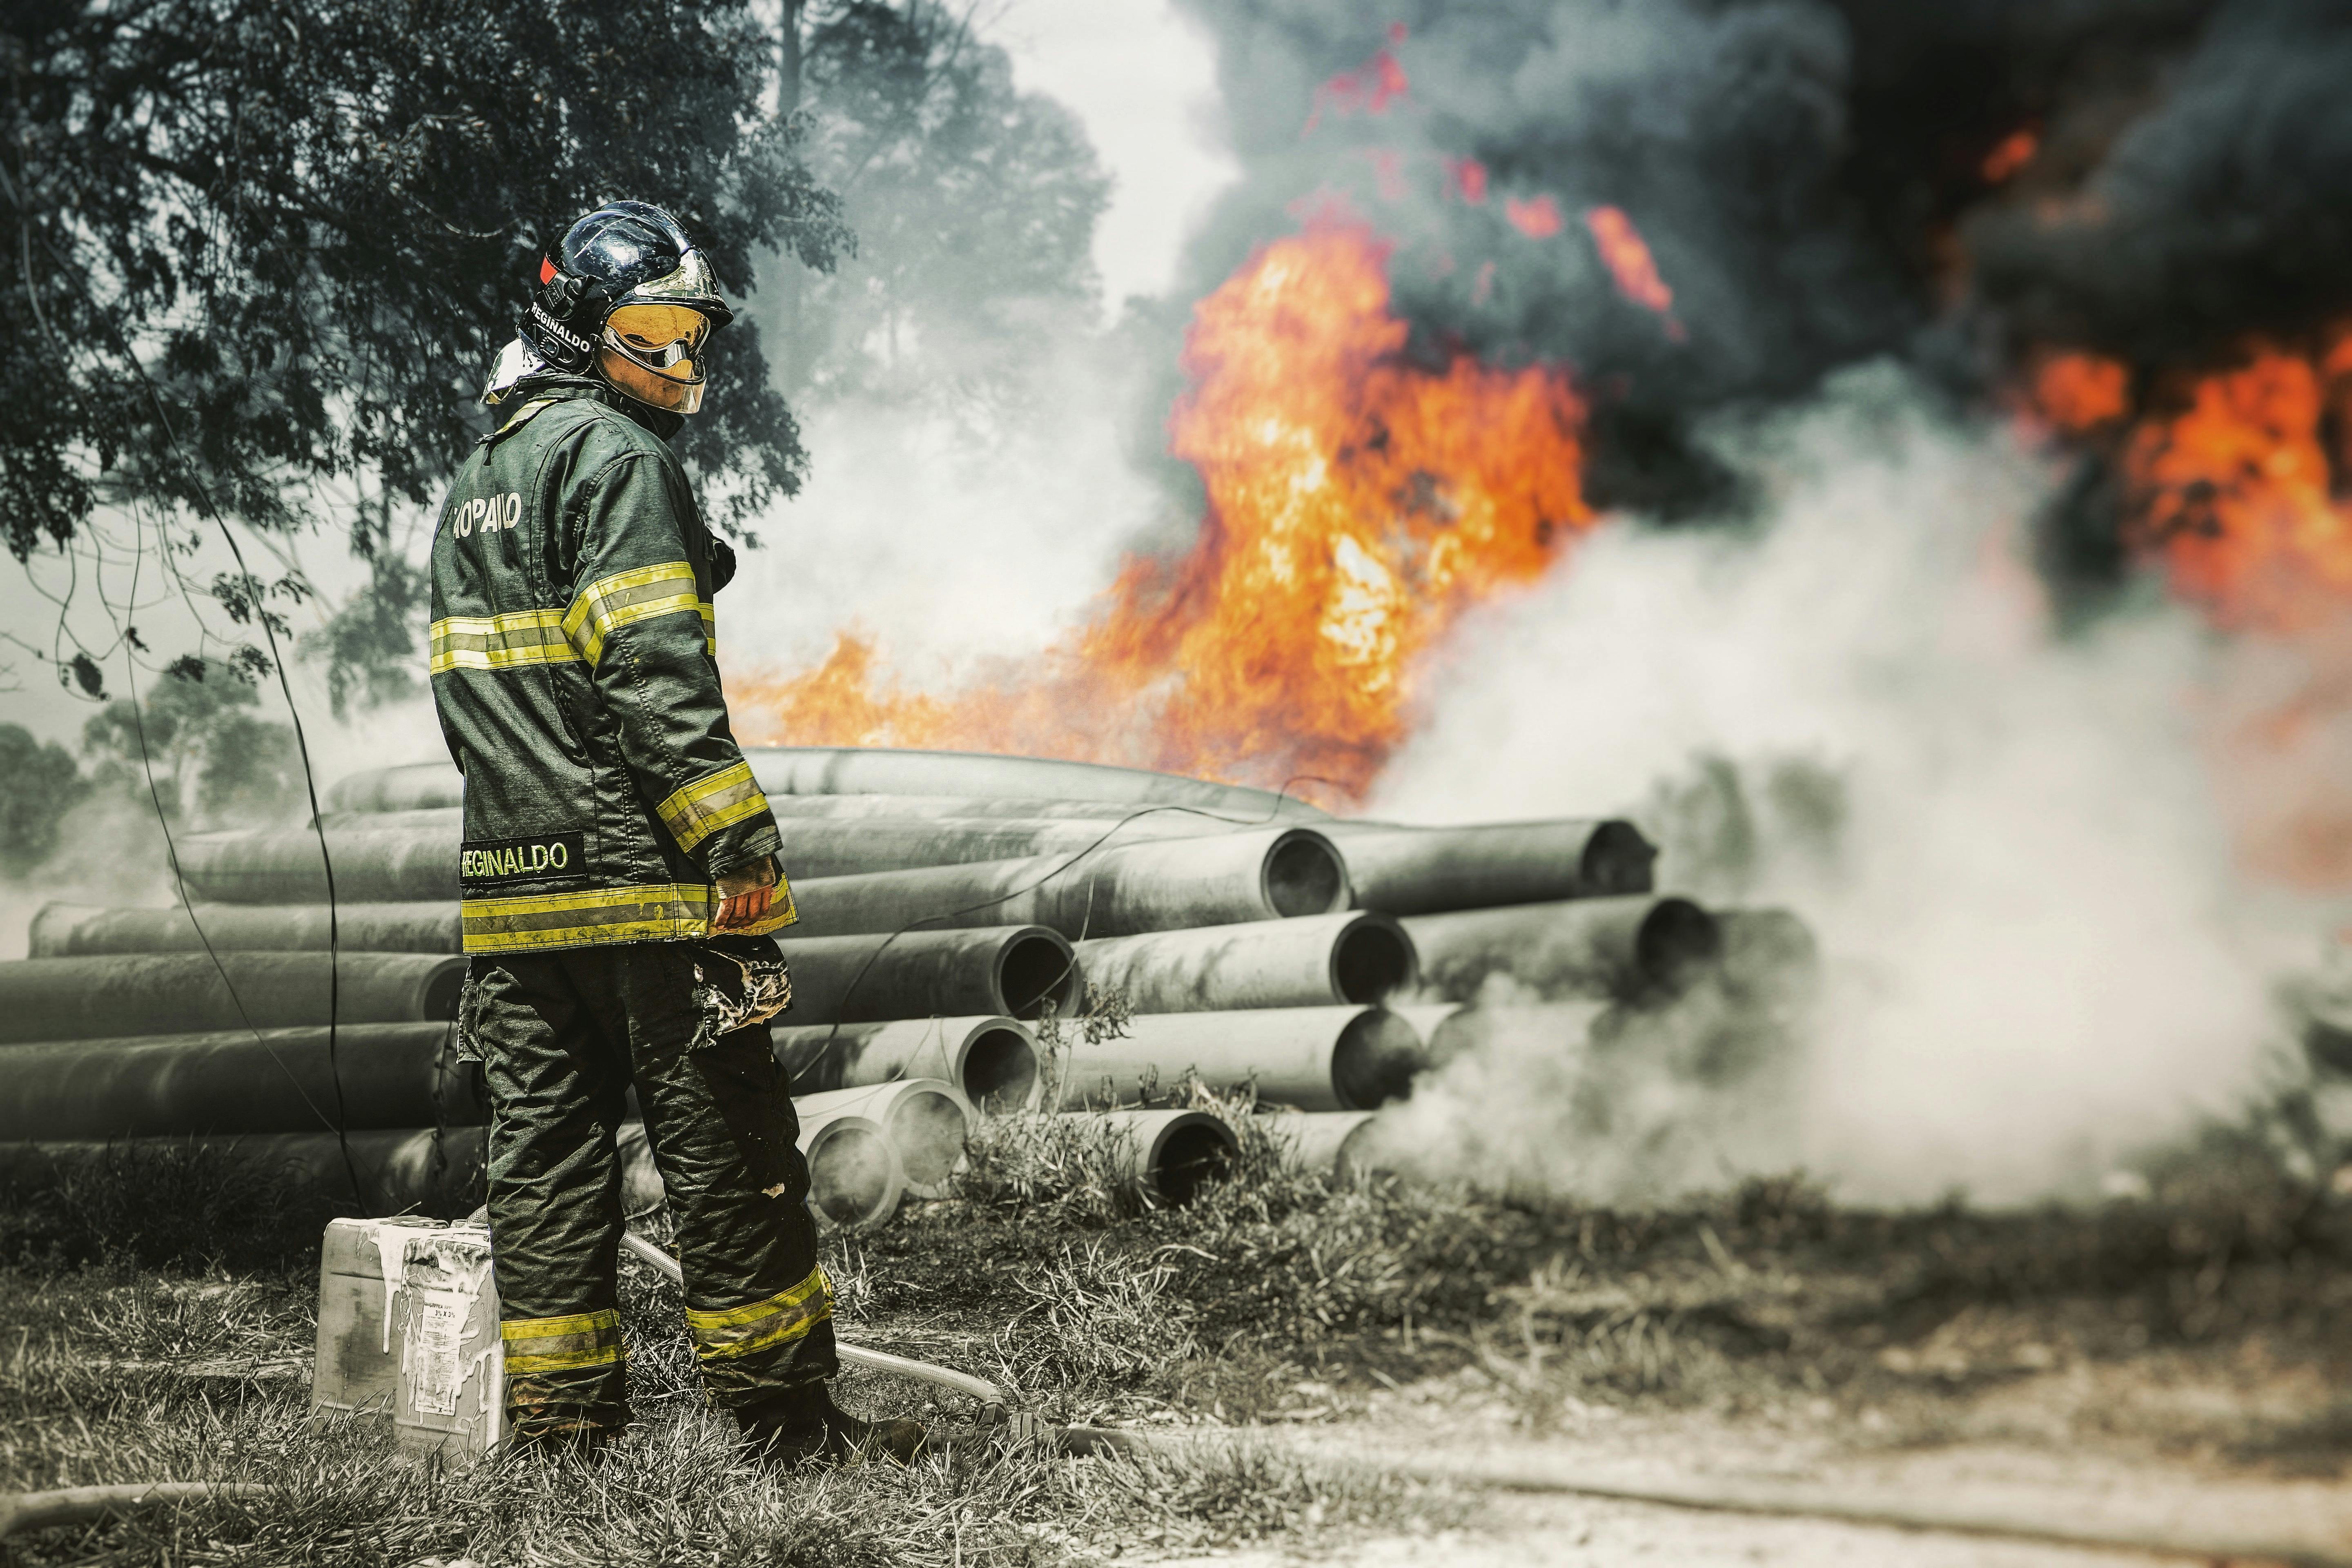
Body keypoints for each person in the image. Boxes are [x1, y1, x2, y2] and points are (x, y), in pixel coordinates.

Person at [428, 201, 924, 1465]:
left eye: (692, 335)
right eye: (651, 333)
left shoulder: (478, 482)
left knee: (542, 1168)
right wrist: (736, 838)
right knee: (730, 1149)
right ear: (579, 330)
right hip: (644, 889)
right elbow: (652, 673)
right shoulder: (615, 459)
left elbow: (481, 702)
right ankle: (787, 1428)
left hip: (514, 895)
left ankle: (561, 1437)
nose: (680, 362)